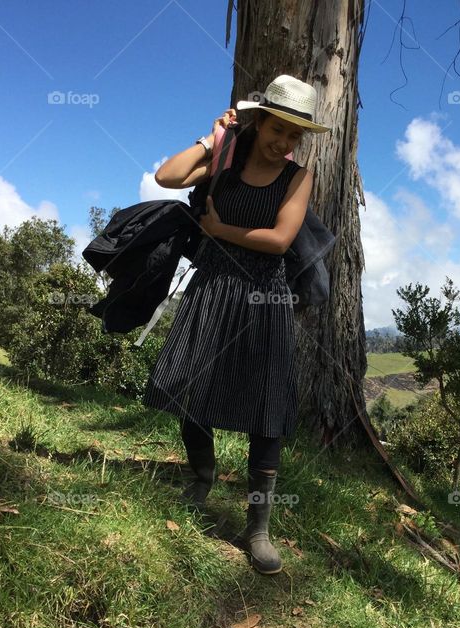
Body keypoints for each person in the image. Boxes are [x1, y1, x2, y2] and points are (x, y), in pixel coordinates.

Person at [144, 74, 330, 575]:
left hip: (265, 293)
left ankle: (259, 525)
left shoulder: (298, 176)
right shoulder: (225, 155)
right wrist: (211, 139)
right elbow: (167, 176)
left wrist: (218, 229)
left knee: (268, 402)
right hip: (213, 285)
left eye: (295, 136)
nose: (284, 144)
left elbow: (279, 239)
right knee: (192, 381)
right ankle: (201, 479)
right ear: (259, 120)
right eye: (278, 130)